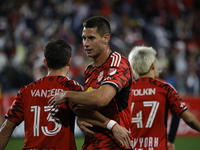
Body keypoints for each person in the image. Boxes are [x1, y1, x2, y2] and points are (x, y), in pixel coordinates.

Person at [48, 16, 134, 149]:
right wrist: (81, 118)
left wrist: (67, 95)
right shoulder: (89, 70)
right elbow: (85, 105)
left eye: (91, 38)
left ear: (106, 38)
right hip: (92, 143)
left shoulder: (118, 64)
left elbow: (101, 99)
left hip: (115, 144)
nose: (86, 43)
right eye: (84, 38)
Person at [128, 46, 200, 150]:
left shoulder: (125, 90)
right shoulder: (164, 88)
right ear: (153, 65)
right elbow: (188, 118)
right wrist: (171, 140)